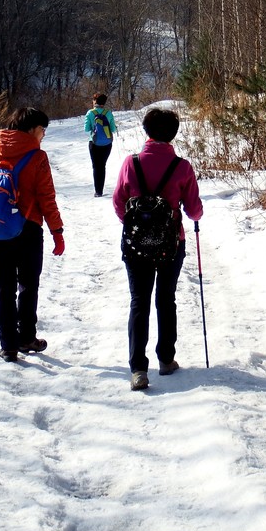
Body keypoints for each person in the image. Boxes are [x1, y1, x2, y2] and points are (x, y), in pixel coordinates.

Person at [112, 107, 203, 391]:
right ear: (172, 135)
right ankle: (166, 359)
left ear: (146, 131)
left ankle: (138, 369)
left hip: (136, 245)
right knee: (166, 299)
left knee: (139, 301)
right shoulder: (182, 167)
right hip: (171, 244)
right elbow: (194, 210)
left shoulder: (131, 162)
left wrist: (138, 224)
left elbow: (118, 202)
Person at [0, 107, 65, 362]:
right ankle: (26, 337)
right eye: (42, 130)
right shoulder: (37, 157)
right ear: (31, 129)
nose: (43, 135)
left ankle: (8, 346)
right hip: (27, 228)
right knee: (28, 284)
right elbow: (46, 198)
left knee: (3, 285)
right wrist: (57, 231)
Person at [84, 93, 118, 197]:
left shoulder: (90, 113)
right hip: (107, 143)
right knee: (102, 166)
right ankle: (101, 190)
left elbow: (86, 129)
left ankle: (97, 191)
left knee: (96, 166)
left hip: (94, 143)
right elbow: (113, 129)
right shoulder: (108, 113)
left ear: (95, 101)